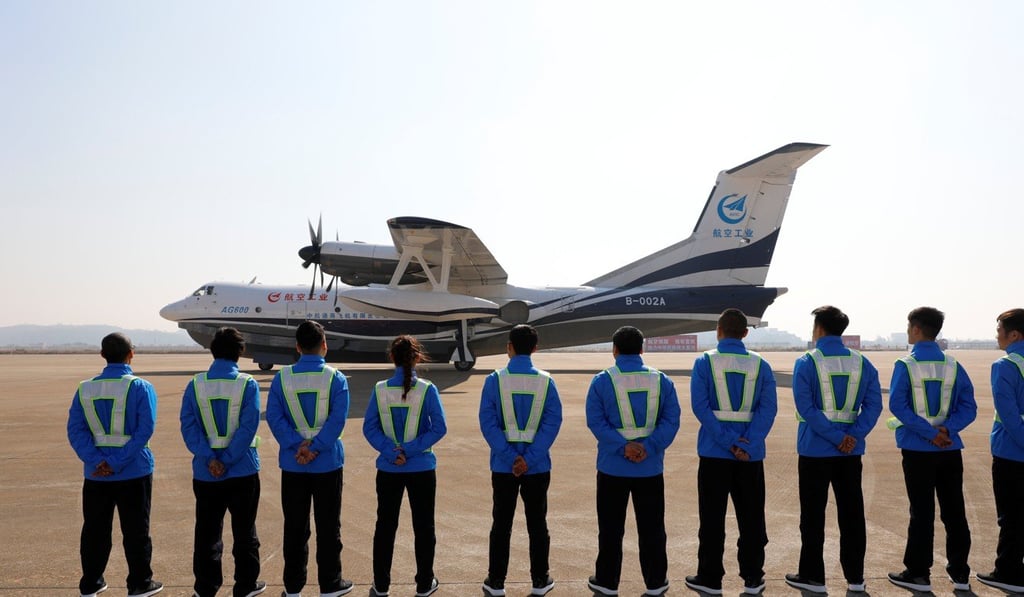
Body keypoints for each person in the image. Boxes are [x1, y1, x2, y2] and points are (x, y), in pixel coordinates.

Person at [785, 306, 882, 594]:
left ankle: (813, 576)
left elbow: (806, 408)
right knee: (852, 515)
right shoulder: (863, 363)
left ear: (819, 329)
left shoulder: (806, 362)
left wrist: (833, 436)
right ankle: (855, 578)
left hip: (815, 451)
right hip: (850, 453)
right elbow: (874, 406)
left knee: (812, 517)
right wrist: (851, 436)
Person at [685, 309, 777, 596]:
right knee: (751, 518)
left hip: (715, 453)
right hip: (750, 456)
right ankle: (753, 577)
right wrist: (746, 443)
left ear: (718, 331)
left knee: (712, 518)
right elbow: (768, 409)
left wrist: (728, 441)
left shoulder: (705, 362)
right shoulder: (761, 364)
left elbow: (700, 407)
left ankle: (710, 578)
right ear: (746, 333)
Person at [585, 326, 681, 597]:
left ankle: (606, 581)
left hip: (612, 467)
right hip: (649, 468)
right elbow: (671, 421)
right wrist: (647, 447)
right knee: (652, 529)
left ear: (614, 350)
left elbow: (596, 421)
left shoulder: (602, 381)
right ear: (642, 349)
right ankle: (655, 582)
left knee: (611, 530)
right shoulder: (661, 381)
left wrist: (622, 447)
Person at [886, 307, 976, 593]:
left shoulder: (906, 365)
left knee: (921, 512)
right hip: (950, 448)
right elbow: (968, 407)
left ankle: (918, 573)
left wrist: (928, 433)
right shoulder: (953, 365)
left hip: (917, 449)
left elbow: (898, 405)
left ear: (915, 329)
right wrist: (946, 430)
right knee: (955, 511)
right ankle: (960, 573)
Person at [67, 332, 163, 597]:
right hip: (133, 472)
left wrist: (98, 461)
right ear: (131, 354)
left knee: (95, 530)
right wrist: (118, 462)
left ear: (102, 355)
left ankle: (91, 582)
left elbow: (76, 430)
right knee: (136, 530)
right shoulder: (141, 387)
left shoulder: (85, 389)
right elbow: (145, 431)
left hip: (97, 475)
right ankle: (140, 583)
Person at [266, 320, 354, 597]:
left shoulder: (282, 378)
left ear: (297, 347)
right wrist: (316, 447)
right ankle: (330, 584)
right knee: (329, 527)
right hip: (327, 463)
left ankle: (293, 587)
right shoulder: (335, 378)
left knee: (294, 527)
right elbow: (337, 420)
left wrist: (297, 446)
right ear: (324, 345)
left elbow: (274, 417)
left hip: (293, 464)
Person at [179, 327, 267, 597]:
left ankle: (205, 588)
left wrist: (210, 458)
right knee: (244, 531)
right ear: (240, 352)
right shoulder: (246, 384)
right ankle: (246, 585)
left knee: (206, 532)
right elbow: (248, 425)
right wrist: (227, 459)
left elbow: (188, 426)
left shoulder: (196, 384)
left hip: (206, 473)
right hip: (242, 469)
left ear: (212, 350)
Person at [479, 324, 563, 597]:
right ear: (535, 348)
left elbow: (488, 422)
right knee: (537, 524)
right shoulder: (546, 381)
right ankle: (540, 580)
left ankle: (496, 581)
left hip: (503, 466)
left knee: (500, 524)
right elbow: (552, 423)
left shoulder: (495, 380)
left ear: (509, 348)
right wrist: (529, 458)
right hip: (537, 467)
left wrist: (509, 456)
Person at [363, 335, 447, 597]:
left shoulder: (379, 389)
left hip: (389, 468)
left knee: (385, 527)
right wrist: (410, 450)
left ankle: (381, 584)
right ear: (417, 357)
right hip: (421, 467)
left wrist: (391, 451)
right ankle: (424, 583)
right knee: (424, 527)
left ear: (392, 358)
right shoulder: (427, 389)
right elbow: (439, 428)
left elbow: (370, 428)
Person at [978, 308, 1024, 594]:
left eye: (999, 331)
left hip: (1011, 453)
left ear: (1014, 334)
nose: (997, 336)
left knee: (1011, 516)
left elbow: (1009, 416)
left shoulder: (1005, 366)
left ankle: (1008, 572)